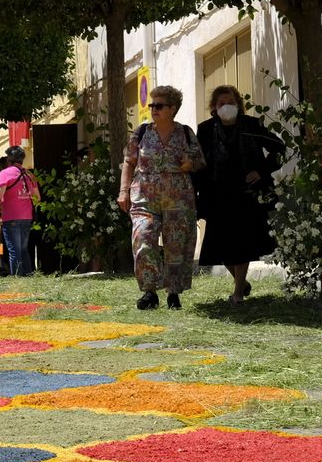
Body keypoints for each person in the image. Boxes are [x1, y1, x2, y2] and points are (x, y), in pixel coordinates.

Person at [196, 85, 286, 303]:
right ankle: (241, 282)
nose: (227, 107)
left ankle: (237, 293)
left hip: (246, 194)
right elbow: (200, 161)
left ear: (238, 105)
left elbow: (279, 148)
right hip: (217, 194)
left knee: (242, 243)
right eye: (221, 103)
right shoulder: (205, 129)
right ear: (214, 109)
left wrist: (261, 171)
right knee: (219, 245)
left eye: (231, 102)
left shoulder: (251, 125)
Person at [120, 85, 205, 310]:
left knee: (177, 245)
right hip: (144, 197)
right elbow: (128, 163)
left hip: (179, 198)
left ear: (172, 108)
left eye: (159, 105)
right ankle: (150, 292)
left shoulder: (185, 133)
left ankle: (174, 293)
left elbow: (200, 161)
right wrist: (123, 191)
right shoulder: (141, 132)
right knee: (143, 239)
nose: (153, 109)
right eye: (152, 105)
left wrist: (190, 164)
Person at [0, 146, 41, 276]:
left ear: (9, 159)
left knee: (14, 250)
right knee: (24, 249)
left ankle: (18, 280)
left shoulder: (5, 173)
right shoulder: (30, 174)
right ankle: (28, 276)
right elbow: (37, 198)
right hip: (26, 217)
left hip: (11, 217)